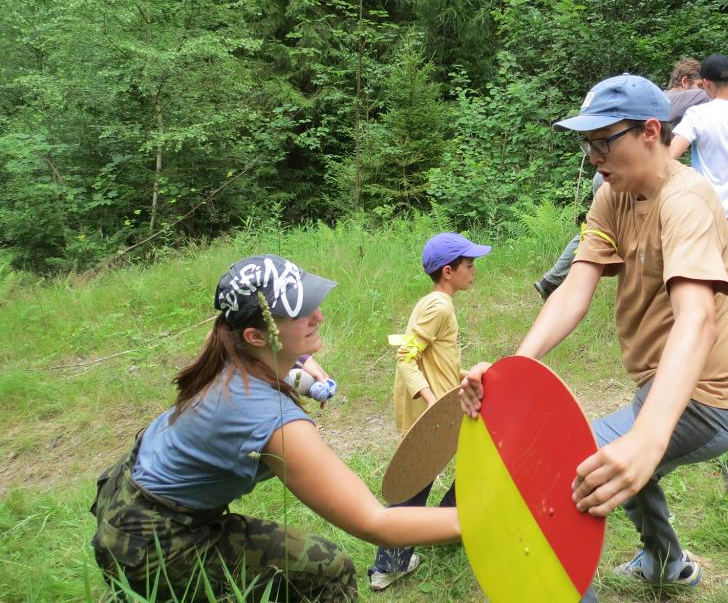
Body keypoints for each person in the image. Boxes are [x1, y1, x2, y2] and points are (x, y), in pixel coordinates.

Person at [464, 74, 728, 601]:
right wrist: (512, 371)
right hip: (661, 384)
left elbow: (697, 319)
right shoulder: (612, 195)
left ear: (650, 131)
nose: (594, 155)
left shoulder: (685, 201)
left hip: (709, 402)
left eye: (604, 141)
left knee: (566, 479)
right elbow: (575, 289)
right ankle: (667, 565)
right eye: (587, 143)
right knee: (624, 469)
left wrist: (647, 436)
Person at [90, 254, 460, 601]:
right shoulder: (275, 421)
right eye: (299, 312)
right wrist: (476, 520)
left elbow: (248, 339)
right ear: (256, 337)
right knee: (329, 569)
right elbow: (374, 521)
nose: (318, 315)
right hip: (154, 538)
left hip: (127, 491)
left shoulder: (227, 344)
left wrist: (298, 363)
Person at [533, 58, 728, 298]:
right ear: (687, 82)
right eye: (699, 85)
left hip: (636, 175)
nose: (704, 91)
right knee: (608, 234)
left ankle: (556, 281)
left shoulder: (661, 100)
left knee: (603, 234)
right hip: (634, 175)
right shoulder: (693, 100)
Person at [368, 232, 491, 591]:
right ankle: (387, 566)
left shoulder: (434, 303)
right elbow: (406, 356)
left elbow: (434, 357)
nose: (474, 271)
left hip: (440, 404)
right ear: (449, 272)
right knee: (413, 485)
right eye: (469, 266)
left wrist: (464, 375)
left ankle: (441, 524)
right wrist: (432, 400)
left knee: (467, 461)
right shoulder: (439, 307)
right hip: (432, 413)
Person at [670, 54, 728, 264]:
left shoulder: (697, 114)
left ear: (706, 83)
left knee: (702, 264)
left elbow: (671, 154)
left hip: (711, 209)